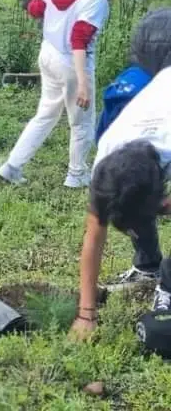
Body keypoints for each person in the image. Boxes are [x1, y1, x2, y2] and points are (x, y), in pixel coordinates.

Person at [0, 0, 130, 188]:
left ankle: (11, 166)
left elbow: (36, 10)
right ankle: (77, 175)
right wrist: (83, 84)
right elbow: (79, 40)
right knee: (81, 122)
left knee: (45, 115)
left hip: (48, 54)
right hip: (72, 63)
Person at [70, 69, 171, 341]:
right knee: (135, 205)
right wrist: (86, 314)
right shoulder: (107, 161)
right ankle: (150, 265)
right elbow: (93, 237)